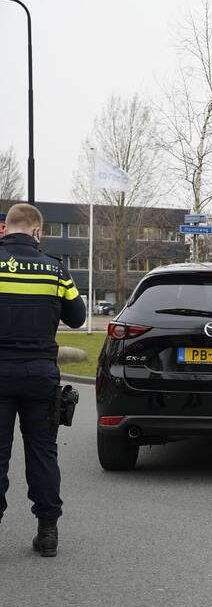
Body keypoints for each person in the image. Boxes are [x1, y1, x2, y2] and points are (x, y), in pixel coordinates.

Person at [0, 203, 86, 557]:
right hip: (40, 375)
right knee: (43, 454)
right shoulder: (56, 270)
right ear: (37, 231)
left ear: (6, 228)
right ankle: (47, 531)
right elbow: (78, 318)